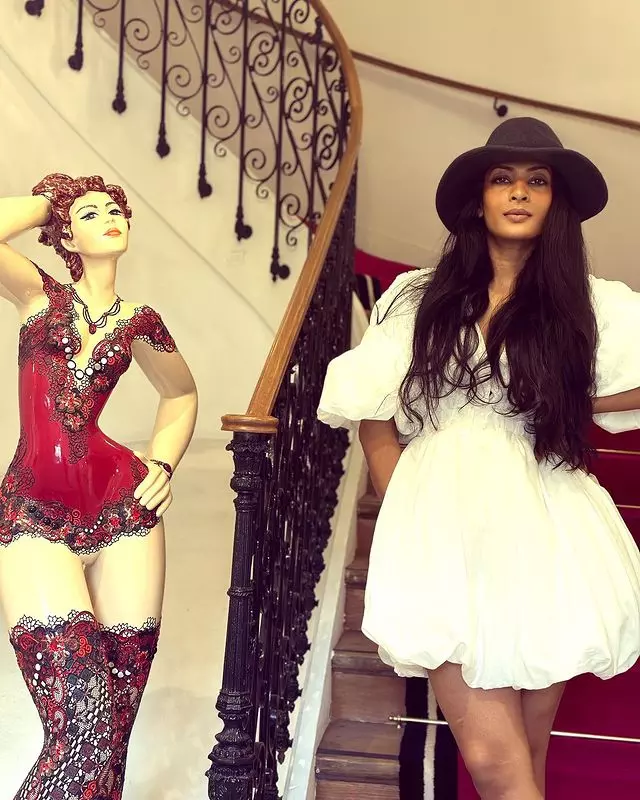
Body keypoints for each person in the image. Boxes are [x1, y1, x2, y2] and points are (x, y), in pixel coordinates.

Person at [317, 117, 640, 800]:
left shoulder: (588, 304)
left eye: (537, 180)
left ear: (556, 201)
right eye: (503, 179)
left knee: (526, 756)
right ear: (479, 198)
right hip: (445, 521)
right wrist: (396, 491)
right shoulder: (419, 295)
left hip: (546, 522)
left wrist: (573, 399)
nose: (519, 192)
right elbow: (372, 403)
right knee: (495, 760)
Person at [0, 173, 198, 799]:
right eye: (89, 213)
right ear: (65, 236)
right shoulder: (38, 295)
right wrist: (54, 202)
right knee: (81, 726)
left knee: (112, 733)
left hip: (123, 513)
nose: (110, 216)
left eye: (115, 209)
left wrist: (161, 465)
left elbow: (181, 393)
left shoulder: (140, 322)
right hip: (33, 514)